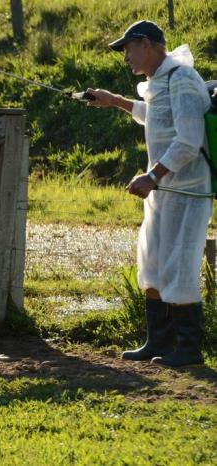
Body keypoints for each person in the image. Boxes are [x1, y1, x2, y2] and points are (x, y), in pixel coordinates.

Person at [86, 20, 212, 367]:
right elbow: (154, 117)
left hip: (187, 193)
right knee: (153, 263)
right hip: (164, 190)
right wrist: (114, 102)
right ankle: (158, 342)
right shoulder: (159, 82)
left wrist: (152, 176)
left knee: (180, 265)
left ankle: (188, 349)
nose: (125, 56)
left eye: (128, 48)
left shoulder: (183, 79)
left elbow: (187, 141)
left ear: (146, 43)